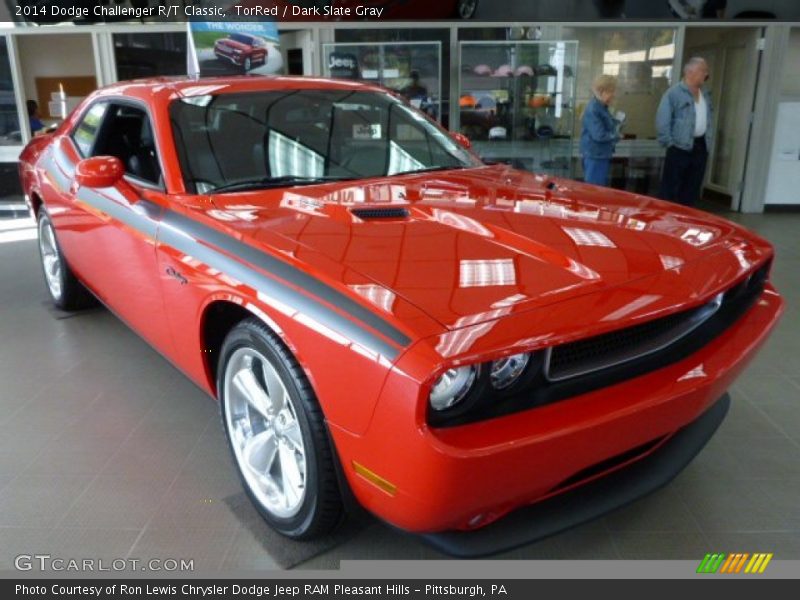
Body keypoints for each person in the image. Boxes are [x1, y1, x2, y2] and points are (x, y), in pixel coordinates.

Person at [656, 57, 714, 207]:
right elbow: (663, 120)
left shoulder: (705, 94)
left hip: (700, 146)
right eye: (703, 70)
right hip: (679, 147)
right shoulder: (673, 93)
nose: (706, 74)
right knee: (670, 189)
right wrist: (669, 144)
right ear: (690, 72)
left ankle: (686, 216)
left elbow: (709, 118)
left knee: (691, 189)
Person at [580, 74, 620, 187]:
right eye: (611, 91)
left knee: (597, 188)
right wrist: (616, 136)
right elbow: (599, 135)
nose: (614, 95)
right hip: (596, 155)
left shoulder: (601, 107)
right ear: (602, 91)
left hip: (599, 154)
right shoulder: (594, 109)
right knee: (594, 190)